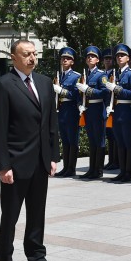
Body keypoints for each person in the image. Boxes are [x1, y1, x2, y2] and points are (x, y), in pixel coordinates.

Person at [0, 39, 65, 261]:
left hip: (40, 162)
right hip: (15, 163)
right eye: (26, 54)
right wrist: (3, 166)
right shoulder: (2, 86)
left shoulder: (43, 83)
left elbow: (51, 123)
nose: (32, 58)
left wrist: (53, 156)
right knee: (10, 217)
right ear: (13, 57)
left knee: (37, 215)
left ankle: (36, 259)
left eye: (34, 54)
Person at [104, 44, 131, 182]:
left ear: (128, 58)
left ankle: (129, 172)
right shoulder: (115, 74)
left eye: (122, 55)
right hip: (117, 111)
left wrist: (117, 89)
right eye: (118, 56)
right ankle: (122, 171)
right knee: (119, 142)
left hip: (128, 111)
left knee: (128, 142)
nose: (119, 58)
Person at [75, 45, 109, 179]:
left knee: (99, 140)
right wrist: (79, 105)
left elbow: (105, 92)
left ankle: (98, 170)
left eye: (93, 56)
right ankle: (91, 169)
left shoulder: (101, 75)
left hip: (98, 110)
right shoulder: (84, 75)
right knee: (92, 140)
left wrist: (88, 90)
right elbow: (78, 94)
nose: (90, 58)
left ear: (98, 60)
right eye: (88, 56)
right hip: (88, 110)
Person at [53, 47, 81, 177]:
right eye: (63, 58)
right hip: (61, 110)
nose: (65, 60)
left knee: (72, 139)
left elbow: (75, 95)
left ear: (72, 62)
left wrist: (61, 91)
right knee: (64, 139)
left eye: (68, 58)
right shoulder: (59, 76)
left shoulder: (76, 76)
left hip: (71, 110)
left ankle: (72, 168)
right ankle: (65, 167)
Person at [101, 48, 119, 172]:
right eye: (106, 59)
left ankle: (115, 161)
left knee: (114, 136)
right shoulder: (103, 74)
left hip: (113, 108)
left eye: (110, 59)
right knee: (109, 135)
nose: (108, 61)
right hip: (104, 107)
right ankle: (111, 160)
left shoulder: (115, 74)